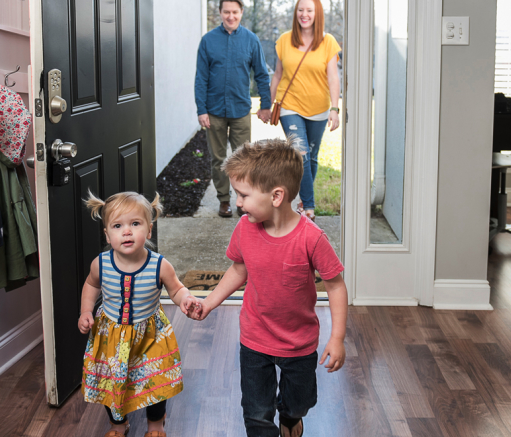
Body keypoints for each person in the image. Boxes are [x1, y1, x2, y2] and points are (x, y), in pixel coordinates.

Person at [190, 138, 348, 437]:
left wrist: (337, 337)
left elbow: (336, 286)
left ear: (276, 196)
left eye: (243, 195)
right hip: (255, 338)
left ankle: (291, 417)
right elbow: (239, 269)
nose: (238, 202)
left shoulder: (311, 239)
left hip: (298, 343)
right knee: (257, 412)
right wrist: (209, 302)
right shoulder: (245, 229)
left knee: (300, 401)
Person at [77, 191, 199, 437]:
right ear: (107, 234)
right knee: (112, 382)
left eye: (135, 224)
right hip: (111, 338)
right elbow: (91, 285)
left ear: (149, 230)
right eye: (118, 226)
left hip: (150, 338)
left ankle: (155, 425)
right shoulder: (100, 264)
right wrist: (85, 311)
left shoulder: (159, 265)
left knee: (155, 380)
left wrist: (186, 299)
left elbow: (176, 289)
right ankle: (118, 426)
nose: (127, 231)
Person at [195, 0, 272, 218]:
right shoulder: (208, 41)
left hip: (240, 110)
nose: (231, 16)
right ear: (220, 12)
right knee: (218, 158)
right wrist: (202, 109)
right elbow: (201, 78)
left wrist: (265, 104)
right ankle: (223, 200)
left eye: (235, 12)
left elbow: (261, 74)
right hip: (214, 111)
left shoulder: (251, 40)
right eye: (226, 12)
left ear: (241, 13)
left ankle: (243, 200)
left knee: (243, 159)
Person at [269, 0, 341, 222]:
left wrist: (335, 108)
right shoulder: (284, 40)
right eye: (300, 10)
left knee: (311, 157)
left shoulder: (328, 42)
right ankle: (308, 207)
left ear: (317, 13)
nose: (304, 14)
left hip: (318, 109)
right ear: (296, 13)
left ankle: (302, 199)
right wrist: (267, 105)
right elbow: (278, 75)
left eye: (309, 10)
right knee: (300, 155)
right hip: (290, 106)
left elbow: (333, 77)